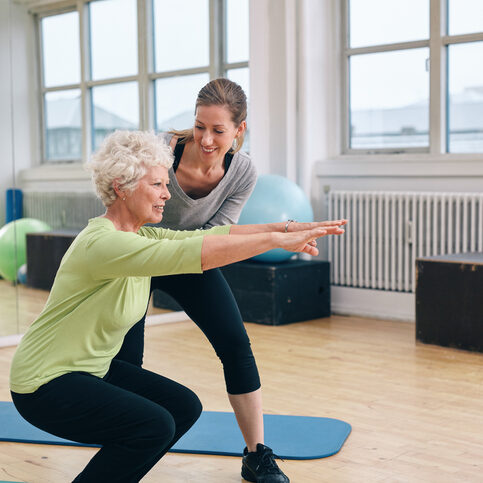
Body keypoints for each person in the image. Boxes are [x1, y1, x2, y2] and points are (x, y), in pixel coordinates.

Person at [9, 130, 345, 482]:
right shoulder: (103, 244)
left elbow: (209, 237)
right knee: (152, 425)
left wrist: (288, 227)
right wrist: (275, 241)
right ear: (121, 186)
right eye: (157, 185)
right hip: (44, 383)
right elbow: (193, 253)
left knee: (182, 408)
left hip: (90, 369)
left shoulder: (140, 234)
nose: (168, 194)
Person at [114, 79, 347, 483]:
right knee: (126, 359)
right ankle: (121, 441)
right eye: (200, 126)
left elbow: (218, 235)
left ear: (239, 130)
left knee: (236, 345)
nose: (205, 139)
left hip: (191, 258)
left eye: (218, 130)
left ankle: (256, 455)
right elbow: (121, 206)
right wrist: (276, 232)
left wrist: (278, 232)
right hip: (139, 255)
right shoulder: (162, 151)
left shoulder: (242, 171)